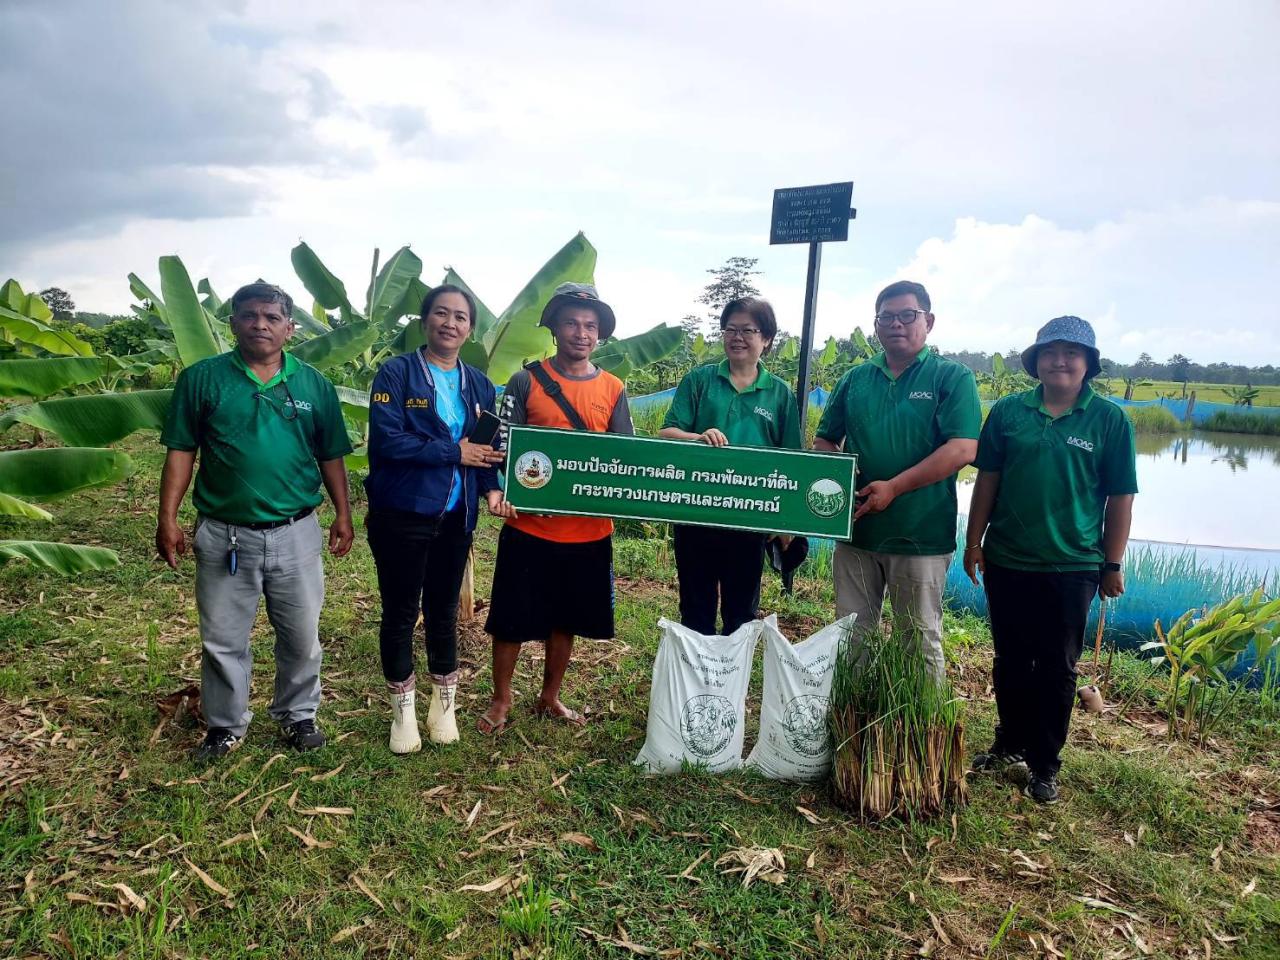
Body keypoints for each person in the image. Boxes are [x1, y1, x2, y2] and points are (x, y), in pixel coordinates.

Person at [156, 282, 354, 762]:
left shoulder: (312, 385)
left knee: (302, 634)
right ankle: (225, 725)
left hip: (296, 530)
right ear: (233, 323)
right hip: (225, 532)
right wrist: (168, 518)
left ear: (289, 328)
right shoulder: (202, 379)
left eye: (271, 317)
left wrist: (344, 513)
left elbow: (331, 455)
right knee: (223, 637)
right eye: (248, 315)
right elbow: (181, 450)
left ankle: (298, 715)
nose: (259, 324)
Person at [964, 316, 1136, 804]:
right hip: (1009, 558)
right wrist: (974, 541)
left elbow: (1120, 498)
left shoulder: (1109, 420)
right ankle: (1009, 742)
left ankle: (1045, 763)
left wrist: (1112, 563)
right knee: (1011, 659)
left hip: (1074, 565)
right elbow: (988, 481)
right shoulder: (1008, 413)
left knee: (1058, 666)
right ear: (1036, 361)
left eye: (1071, 353)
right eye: (1050, 353)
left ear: (1088, 364)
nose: (1060, 361)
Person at [479, 283, 634, 733]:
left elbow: (624, 456)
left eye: (590, 326)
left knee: (565, 619)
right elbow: (500, 446)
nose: (581, 333)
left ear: (600, 334)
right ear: (553, 327)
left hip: (589, 531)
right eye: (571, 322)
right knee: (510, 618)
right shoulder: (525, 381)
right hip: (529, 526)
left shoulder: (613, 387)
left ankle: (550, 696)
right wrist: (498, 490)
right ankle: (501, 699)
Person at [813, 280, 980, 680]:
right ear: (876, 325)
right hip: (857, 532)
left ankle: (919, 733)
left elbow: (962, 449)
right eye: (886, 317)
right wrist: (844, 483)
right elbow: (824, 440)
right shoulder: (856, 379)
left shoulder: (950, 378)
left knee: (918, 640)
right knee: (851, 636)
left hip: (919, 533)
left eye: (908, 315)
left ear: (929, 321)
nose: (896, 324)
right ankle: (852, 725)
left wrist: (895, 487)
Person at [365, 285, 506, 754]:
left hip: (457, 516)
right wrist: (454, 451)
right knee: (402, 612)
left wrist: (492, 488)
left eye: (461, 317)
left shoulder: (480, 385)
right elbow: (387, 441)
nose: (450, 323)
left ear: (470, 327)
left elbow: (485, 453)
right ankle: (401, 713)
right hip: (403, 512)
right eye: (441, 314)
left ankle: (442, 704)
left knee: (444, 612)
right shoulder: (398, 373)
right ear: (425, 321)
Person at [659, 297, 801, 635]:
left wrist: (784, 524)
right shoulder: (699, 381)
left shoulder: (779, 394)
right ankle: (695, 682)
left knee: (741, 612)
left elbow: (792, 459)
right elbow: (666, 432)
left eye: (748, 330)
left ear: (766, 339)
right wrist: (697, 437)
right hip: (696, 511)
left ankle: (730, 684)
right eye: (730, 329)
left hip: (749, 519)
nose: (737, 337)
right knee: (695, 607)